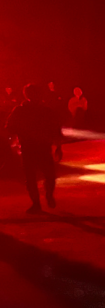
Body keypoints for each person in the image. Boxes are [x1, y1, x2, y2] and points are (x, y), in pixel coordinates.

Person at [6, 83, 62, 213]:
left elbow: (9, 127)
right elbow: (56, 130)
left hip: (30, 148)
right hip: (40, 148)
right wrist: (59, 147)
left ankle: (37, 203)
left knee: (33, 178)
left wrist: (18, 135)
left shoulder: (21, 110)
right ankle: (46, 197)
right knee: (47, 175)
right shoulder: (45, 111)